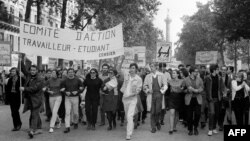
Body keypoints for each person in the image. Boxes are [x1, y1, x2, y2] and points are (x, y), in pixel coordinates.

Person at [20, 58, 44, 139]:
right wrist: (21, 59)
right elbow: (23, 69)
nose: (32, 71)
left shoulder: (40, 79)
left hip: (36, 100)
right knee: (35, 114)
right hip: (29, 99)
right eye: (31, 70)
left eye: (34, 70)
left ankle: (32, 130)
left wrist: (24, 89)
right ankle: (39, 128)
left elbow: (34, 89)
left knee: (34, 115)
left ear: (37, 70)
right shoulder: (29, 75)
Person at [143, 62, 168, 133]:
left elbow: (165, 85)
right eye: (150, 66)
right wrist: (148, 90)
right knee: (152, 112)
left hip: (159, 95)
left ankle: (157, 122)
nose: (151, 68)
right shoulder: (148, 76)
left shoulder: (161, 75)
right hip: (151, 96)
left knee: (158, 111)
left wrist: (161, 91)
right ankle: (153, 127)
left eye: (152, 66)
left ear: (156, 67)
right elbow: (144, 86)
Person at [121, 63, 143, 140]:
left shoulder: (139, 79)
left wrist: (133, 93)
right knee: (127, 116)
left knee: (130, 116)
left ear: (136, 69)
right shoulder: (126, 76)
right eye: (131, 68)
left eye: (133, 68)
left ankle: (129, 134)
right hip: (125, 99)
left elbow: (138, 89)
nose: (132, 69)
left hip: (133, 99)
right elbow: (124, 85)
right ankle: (130, 128)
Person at [60, 68, 83, 133]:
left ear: (74, 73)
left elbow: (82, 88)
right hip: (67, 98)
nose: (70, 73)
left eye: (72, 72)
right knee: (67, 112)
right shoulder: (64, 81)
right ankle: (67, 127)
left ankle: (75, 122)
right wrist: (65, 92)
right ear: (67, 73)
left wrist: (78, 91)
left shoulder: (78, 80)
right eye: (69, 72)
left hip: (75, 97)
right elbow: (61, 89)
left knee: (75, 113)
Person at [205, 65, 224, 136]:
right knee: (212, 113)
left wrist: (224, 92)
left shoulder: (219, 78)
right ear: (213, 70)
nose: (218, 70)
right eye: (217, 69)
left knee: (216, 114)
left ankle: (214, 128)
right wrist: (207, 97)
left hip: (218, 98)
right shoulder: (207, 77)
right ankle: (210, 129)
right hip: (211, 99)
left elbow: (222, 87)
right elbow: (205, 87)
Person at [184, 66, 204, 136]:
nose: (197, 72)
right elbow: (183, 89)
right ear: (192, 72)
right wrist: (187, 90)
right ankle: (190, 129)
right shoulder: (186, 79)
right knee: (189, 116)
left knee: (198, 114)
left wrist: (197, 90)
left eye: (197, 71)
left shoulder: (200, 79)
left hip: (197, 99)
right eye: (196, 71)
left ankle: (195, 127)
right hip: (189, 99)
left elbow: (202, 87)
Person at [168, 70, 184, 134]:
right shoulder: (169, 81)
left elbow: (183, 90)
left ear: (177, 74)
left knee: (176, 114)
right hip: (171, 98)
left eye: (174, 73)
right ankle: (171, 129)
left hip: (178, 98)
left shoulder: (181, 81)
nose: (173, 74)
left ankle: (174, 126)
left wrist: (180, 89)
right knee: (172, 113)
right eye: (172, 73)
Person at [218, 66, 232, 131]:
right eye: (222, 70)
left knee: (224, 111)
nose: (223, 71)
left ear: (226, 71)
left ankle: (222, 124)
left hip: (226, 97)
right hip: (219, 97)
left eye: (225, 70)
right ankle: (220, 124)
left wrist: (227, 90)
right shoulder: (218, 77)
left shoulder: (229, 79)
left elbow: (231, 88)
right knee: (220, 111)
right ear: (221, 70)